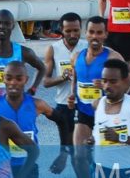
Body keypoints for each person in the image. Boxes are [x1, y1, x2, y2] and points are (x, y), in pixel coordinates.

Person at [69, 16, 124, 178]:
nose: (95, 36)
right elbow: (76, 77)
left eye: (99, 33)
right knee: (79, 156)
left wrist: (109, 87)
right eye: (91, 32)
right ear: (86, 34)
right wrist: (72, 94)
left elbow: (129, 84)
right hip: (84, 114)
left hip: (107, 116)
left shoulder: (113, 58)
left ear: (106, 34)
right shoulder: (76, 56)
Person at [0, 61, 68, 178]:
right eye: (8, 78)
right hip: (2, 169)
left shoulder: (37, 104)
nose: (13, 83)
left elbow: (62, 121)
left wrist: (63, 153)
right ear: (2, 78)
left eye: (19, 79)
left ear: (26, 79)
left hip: (29, 167)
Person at [89, 58, 130, 178]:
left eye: (113, 81)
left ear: (125, 82)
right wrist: (92, 140)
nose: (107, 86)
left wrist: (120, 137)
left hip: (128, 170)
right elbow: (99, 134)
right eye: (104, 81)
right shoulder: (97, 104)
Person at [42, 12, 88, 173]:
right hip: (63, 105)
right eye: (68, 31)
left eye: (76, 30)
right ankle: (64, 156)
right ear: (61, 30)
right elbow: (46, 82)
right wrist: (62, 77)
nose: (73, 34)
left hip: (85, 104)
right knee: (70, 147)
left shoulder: (87, 47)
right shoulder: (53, 49)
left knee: (84, 152)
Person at [0, 10, 46, 95]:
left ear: (13, 26)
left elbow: (42, 68)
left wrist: (33, 88)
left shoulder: (24, 52)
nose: (1, 27)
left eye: (6, 24)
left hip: (15, 105)